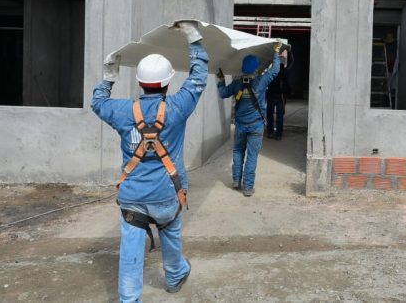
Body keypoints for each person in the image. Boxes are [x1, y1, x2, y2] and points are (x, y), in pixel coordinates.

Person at [91, 22, 207, 302]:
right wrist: (194, 39)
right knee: (170, 232)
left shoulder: (120, 111)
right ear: (167, 82)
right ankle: (176, 274)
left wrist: (108, 77)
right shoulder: (177, 108)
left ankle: (129, 299)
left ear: (141, 83)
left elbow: (97, 102)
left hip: (133, 198)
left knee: (131, 249)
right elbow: (198, 78)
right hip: (168, 195)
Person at [217, 40, 282, 196]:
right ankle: (247, 187)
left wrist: (220, 80)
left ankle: (236, 180)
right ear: (255, 69)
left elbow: (223, 93)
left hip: (240, 125)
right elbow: (275, 70)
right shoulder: (260, 82)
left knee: (238, 151)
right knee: (251, 156)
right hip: (256, 126)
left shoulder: (237, 84)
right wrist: (276, 52)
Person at [266, 50, 290, 140]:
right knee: (280, 116)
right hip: (280, 97)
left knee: (269, 115)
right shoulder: (284, 73)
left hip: (271, 96)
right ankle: (278, 134)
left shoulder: (271, 72)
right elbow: (287, 86)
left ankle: (270, 132)